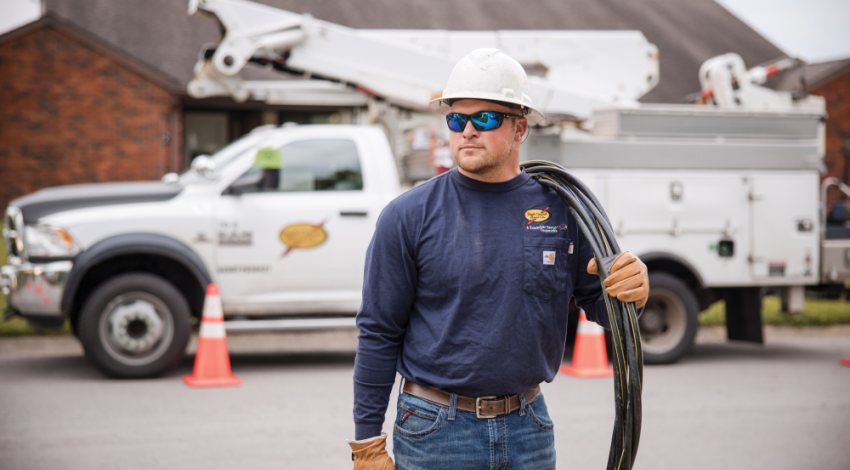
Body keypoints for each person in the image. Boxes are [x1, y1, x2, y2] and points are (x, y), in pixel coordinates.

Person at [348, 48, 649, 470]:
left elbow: (603, 308)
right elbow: (378, 332)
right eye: (456, 119)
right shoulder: (407, 216)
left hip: (529, 426)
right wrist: (367, 443)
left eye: (485, 118)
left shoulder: (561, 209)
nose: (467, 130)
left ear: (520, 127)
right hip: (435, 429)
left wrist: (632, 291)